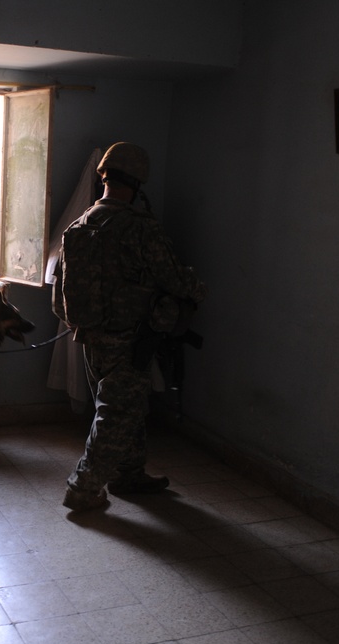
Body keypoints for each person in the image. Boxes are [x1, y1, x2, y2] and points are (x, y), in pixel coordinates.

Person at [54, 142, 206, 511]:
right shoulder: (139, 228)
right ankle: (83, 487)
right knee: (118, 413)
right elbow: (175, 279)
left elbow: (59, 296)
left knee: (126, 407)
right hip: (128, 339)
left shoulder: (80, 225)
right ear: (137, 183)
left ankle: (128, 474)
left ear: (103, 176)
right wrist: (197, 288)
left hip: (90, 338)